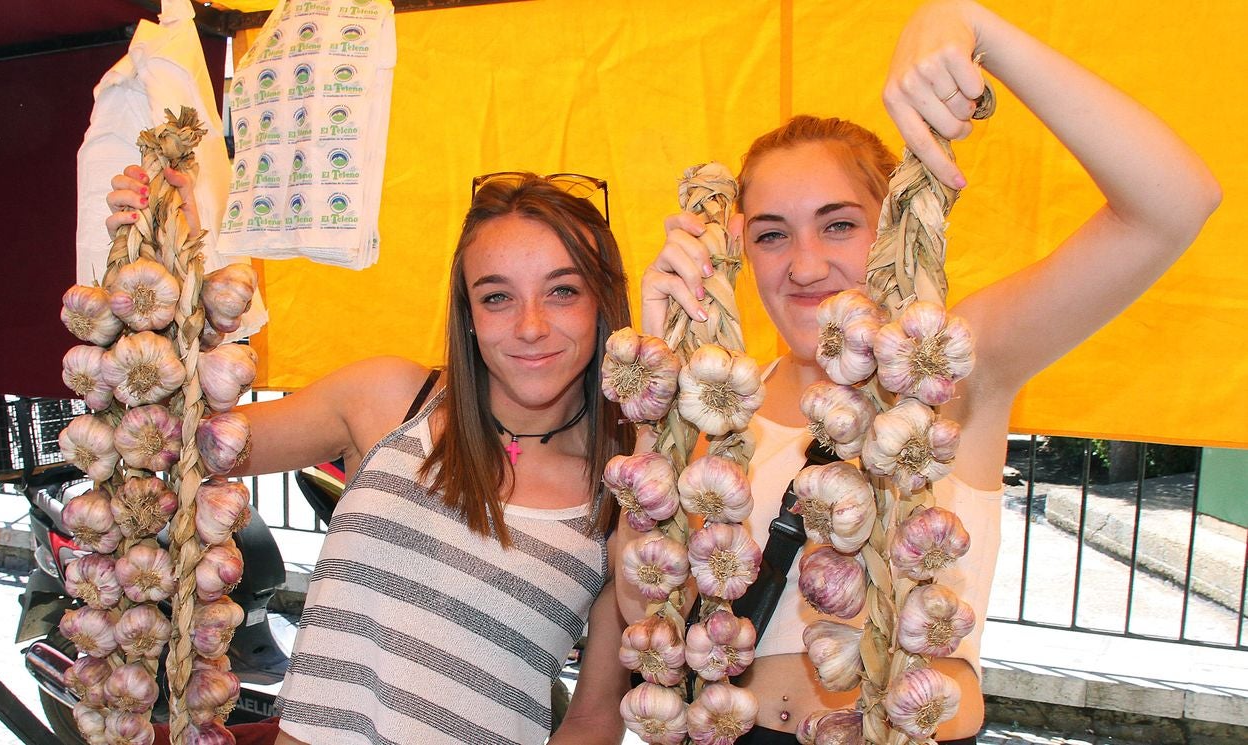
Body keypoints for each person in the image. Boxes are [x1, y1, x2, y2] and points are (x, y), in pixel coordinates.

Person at [624, 1, 1221, 743]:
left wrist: (976, 26)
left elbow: (1174, 204)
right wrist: (659, 388)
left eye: (839, 223)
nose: (805, 265)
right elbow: (639, 608)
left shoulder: (949, 369)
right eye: (774, 234)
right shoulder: (714, 407)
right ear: (744, 248)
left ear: (895, 224)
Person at [105, 169, 635, 744]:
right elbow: (172, 440)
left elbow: (594, 718)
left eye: (563, 291)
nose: (531, 327)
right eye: (497, 297)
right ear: (469, 314)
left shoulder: (626, 489)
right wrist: (168, 277)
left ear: (602, 300)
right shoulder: (391, 401)